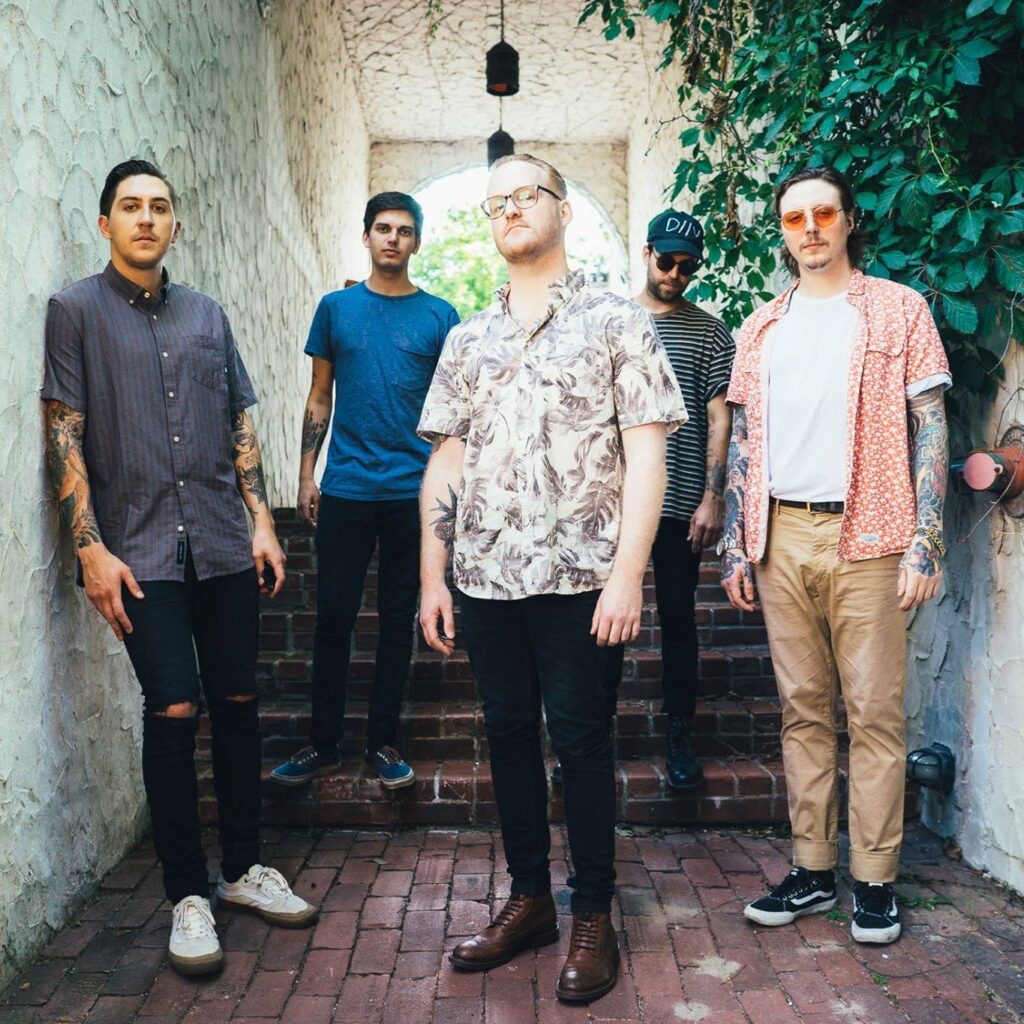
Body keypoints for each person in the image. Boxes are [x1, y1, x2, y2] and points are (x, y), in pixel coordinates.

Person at [417, 155, 686, 1002]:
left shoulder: (616, 320)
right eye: (495, 202)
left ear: (564, 212)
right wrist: (433, 577)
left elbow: (650, 454)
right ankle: (531, 899)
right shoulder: (467, 338)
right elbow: (446, 461)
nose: (508, 210)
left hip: (582, 579)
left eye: (525, 195)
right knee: (506, 733)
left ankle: (594, 912)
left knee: (580, 740)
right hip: (486, 577)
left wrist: (628, 575)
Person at [42, 160, 315, 977]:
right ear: (106, 224)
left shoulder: (207, 315)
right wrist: (88, 546)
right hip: (138, 552)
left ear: (176, 225)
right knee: (172, 705)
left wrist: (262, 520)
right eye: (130, 207)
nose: (146, 218)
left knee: (237, 700)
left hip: (223, 543)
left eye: (159, 207)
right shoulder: (74, 311)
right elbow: (63, 430)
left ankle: (243, 869)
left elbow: (237, 422)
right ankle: (188, 895)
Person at [720, 165, 950, 945]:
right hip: (780, 536)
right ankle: (814, 868)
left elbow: (931, 423)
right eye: (794, 218)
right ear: (782, 233)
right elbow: (744, 438)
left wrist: (927, 539)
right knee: (803, 710)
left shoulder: (898, 308)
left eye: (823, 213)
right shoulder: (761, 327)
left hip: (872, 535)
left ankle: (875, 881)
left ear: (850, 219)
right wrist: (735, 543)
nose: (810, 228)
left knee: (875, 712)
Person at [270, 193, 459, 790]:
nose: (392, 238)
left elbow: (452, 415)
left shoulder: (440, 316)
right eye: (383, 228)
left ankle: (382, 742)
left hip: (412, 492)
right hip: (347, 487)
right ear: (366, 236)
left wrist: (449, 491)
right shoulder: (336, 309)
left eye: (403, 230)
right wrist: (306, 473)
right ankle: (322, 744)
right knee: (333, 617)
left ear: (417, 242)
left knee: (398, 619)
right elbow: (319, 395)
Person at [630, 208, 734, 789]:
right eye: (667, 261)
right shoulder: (612, 322)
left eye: (687, 267)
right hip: (616, 502)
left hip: (681, 501)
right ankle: (586, 740)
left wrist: (712, 497)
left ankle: (679, 738)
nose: (675, 274)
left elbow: (721, 420)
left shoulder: (711, 332)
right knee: (598, 620)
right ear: (647, 253)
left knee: (677, 619)